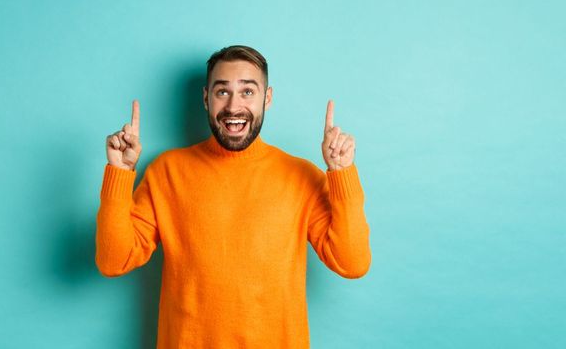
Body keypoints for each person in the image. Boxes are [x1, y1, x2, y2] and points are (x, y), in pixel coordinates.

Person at [96, 45, 371, 348]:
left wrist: (342, 172)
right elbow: (113, 261)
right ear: (206, 98)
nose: (233, 106)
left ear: (267, 98)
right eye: (222, 92)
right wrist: (120, 172)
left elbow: (352, 262)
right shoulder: (166, 172)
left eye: (248, 92)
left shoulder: (300, 176)